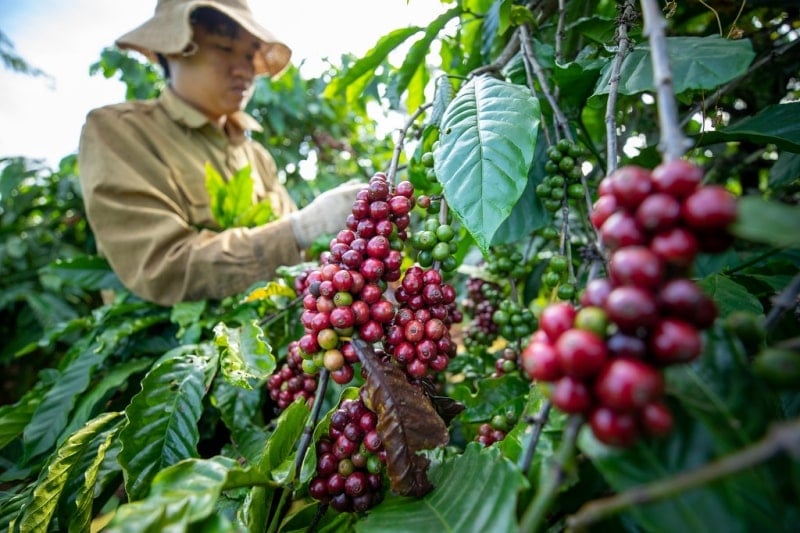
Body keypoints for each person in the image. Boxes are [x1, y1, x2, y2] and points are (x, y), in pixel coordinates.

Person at [77, 0, 361, 306]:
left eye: (251, 55)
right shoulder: (120, 131)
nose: (245, 70)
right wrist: (300, 229)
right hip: (176, 349)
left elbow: (302, 260)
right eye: (224, 48)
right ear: (173, 50)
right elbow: (163, 267)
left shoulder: (255, 155)